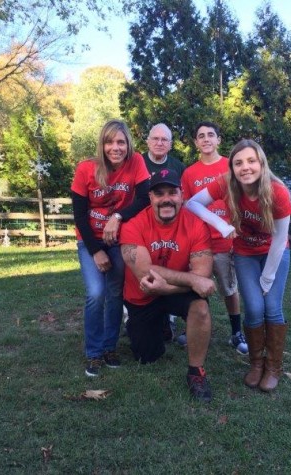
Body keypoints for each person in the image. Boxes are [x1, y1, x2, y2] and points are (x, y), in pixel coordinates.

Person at [186, 138, 291, 392]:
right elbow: (191, 203)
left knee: (272, 307)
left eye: (251, 161)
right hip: (245, 252)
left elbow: (280, 239)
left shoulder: (278, 191)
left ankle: (274, 367)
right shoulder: (226, 184)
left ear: (261, 163)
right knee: (254, 308)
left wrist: (267, 278)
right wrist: (222, 225)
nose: (245, 167)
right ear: (231, 167)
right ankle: (256, 364)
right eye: (238, 163)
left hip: (274, 253)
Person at [120, 169, 216, 402]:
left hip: (172, 291)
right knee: (147, 356)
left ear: (182, 195)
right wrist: (192, 279)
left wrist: (169, 288)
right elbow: (145, 272)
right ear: (150, 197)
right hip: (142, 295)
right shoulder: (133, 225)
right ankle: (160, 324)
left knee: (200, 308)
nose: (166, 199)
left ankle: (196, 372)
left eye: (172, 192)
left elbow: (203, 273)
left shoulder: (196, 225)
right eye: (159, 193)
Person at [71, 119, 150, 377]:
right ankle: (93, 353)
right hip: (89, 240)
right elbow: (80, 215)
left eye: (120, 142)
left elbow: (143, 198)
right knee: (96, 293)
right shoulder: (86, 169)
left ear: (128, 144)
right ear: (101, 144)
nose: (115, 147)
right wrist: (96, 250)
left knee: (116, 292)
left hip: (118, 238)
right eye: (109, 142)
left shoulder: (136, 162)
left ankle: (109, 347)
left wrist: (117, 217)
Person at [179, 121, 248, 354]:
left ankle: (236, 332)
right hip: (199, 243)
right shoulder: (189, 173)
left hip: (225, 242)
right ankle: (194, 329)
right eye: (201, 136)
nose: (206, 139)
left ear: (219, 139)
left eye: (211, 135)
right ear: (196, 142)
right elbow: (187, 207)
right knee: (196, 288)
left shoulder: (232, 167)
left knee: (229, 289)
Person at [143, 123, 186, 341]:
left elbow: (184, 197)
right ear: (147, 140)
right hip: (141, 225)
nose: (160, 143)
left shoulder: (178, 166)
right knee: (141, 269)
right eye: (156, 138)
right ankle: (136, 316)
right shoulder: (136, 163)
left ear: (170, 144)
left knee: (169, 266)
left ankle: (168, 319)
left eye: (165, 140)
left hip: (170, 226)